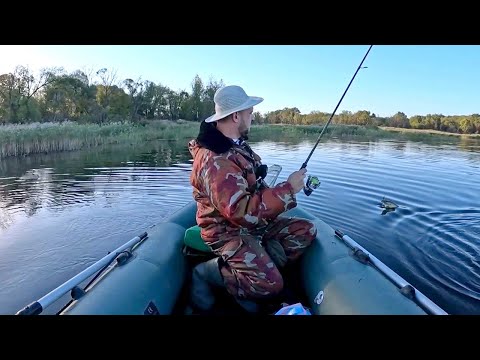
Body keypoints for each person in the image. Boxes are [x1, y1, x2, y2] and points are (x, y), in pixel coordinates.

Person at [187, 85, 317, 313]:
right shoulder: (215, 160)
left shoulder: (237, 147)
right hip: (225, 231)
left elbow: (254, 189)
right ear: (236, 116)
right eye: (250, 112)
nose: (252, 116)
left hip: (251, 226)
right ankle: (208, 273)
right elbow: (241, 212)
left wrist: (280, 189)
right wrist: (288, 190)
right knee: (270, 285)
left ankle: (260, 263)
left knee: (304, 231)